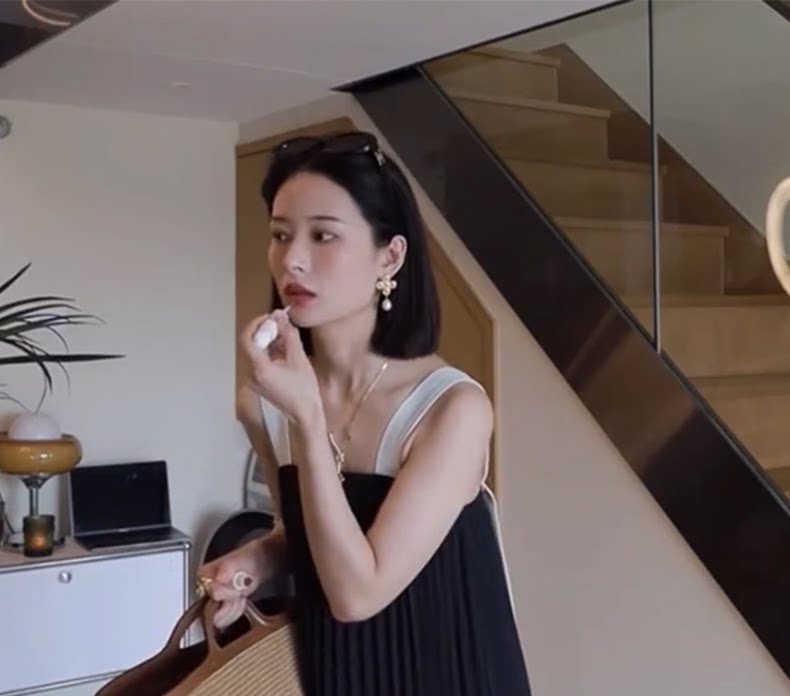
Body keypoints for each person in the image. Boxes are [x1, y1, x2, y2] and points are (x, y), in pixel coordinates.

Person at [197, 130, 531, 695]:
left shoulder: (451, 409)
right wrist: (257, 560)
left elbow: (358, 594)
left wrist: (307, 418)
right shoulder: (264, 403)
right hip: (339, 675)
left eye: (323, 235)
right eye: (280, 234)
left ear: (390, 256)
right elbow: (301, 532)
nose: (292, 259)